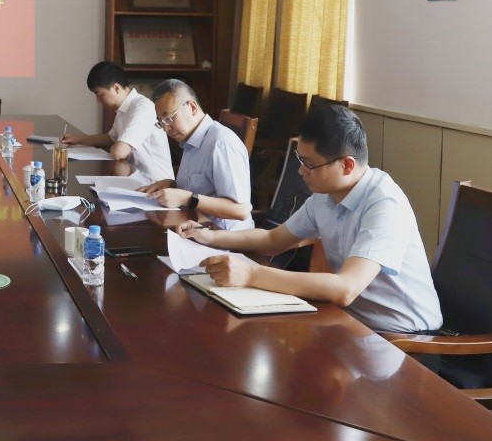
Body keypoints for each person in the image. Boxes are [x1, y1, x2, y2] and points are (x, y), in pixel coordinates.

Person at [180, 104, 442, 334]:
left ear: (347, 165)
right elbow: (272, 240)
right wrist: (210, 236)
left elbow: (346, 288)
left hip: (405, 337)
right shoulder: (324, 196)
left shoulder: (384, 203)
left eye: (309, 164)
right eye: (300, 159)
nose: (300, 171)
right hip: (354, 324)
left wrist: (251, 274)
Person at [137, 79, 252, 229]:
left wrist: (187, 198)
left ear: (192, 107)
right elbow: (203, 188)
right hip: (197, 228)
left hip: (226, 236)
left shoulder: (221, 143)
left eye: (169, 118)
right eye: (161, 122)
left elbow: (241, 210)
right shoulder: (190, 140)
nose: (166, 129)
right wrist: (172, 185)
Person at [60, 61, 173, 181]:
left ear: (116, 88)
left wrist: (115, 147)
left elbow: (119, 152)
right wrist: (77, 139)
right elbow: (111, 138)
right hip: (135, 177)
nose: (98, 100)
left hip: (156, 183)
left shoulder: (142, 107)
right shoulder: (123, 108)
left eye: (99, 94)